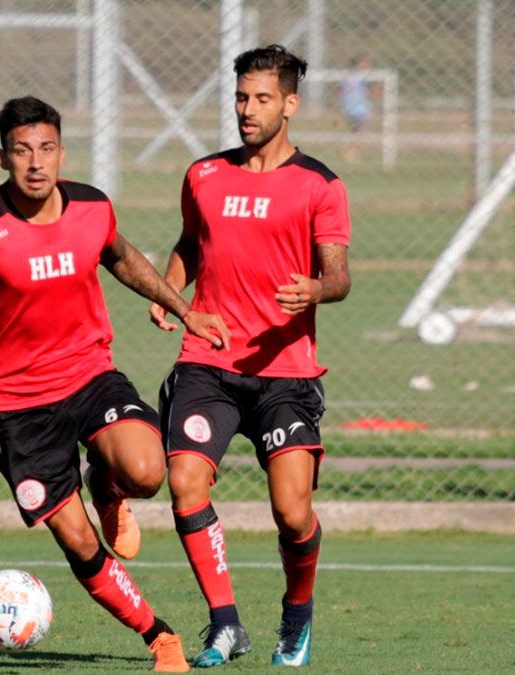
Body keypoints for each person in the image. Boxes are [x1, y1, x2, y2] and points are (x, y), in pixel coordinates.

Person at [0, 96, 231, 672]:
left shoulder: (92, 207)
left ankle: (105, 485)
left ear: (61, 153)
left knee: (147, 471)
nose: (36, 162)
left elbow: (122, 257)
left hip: (90, 377)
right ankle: (161, 638)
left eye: (47, 148)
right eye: (22, 151)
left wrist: (185, 309)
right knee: (79, 542)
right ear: (2, 157)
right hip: (18, 410)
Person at [148, 45, 352, 667]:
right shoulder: (204, 175)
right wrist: (170, 289)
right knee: (185, 482)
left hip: (285, 372)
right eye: (241, 97)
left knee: (292, 513)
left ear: (290, 105)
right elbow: (191, 243)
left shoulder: (320, 184)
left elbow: (339, 276)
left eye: (262, 99)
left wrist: (316, 290)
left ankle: (298, 613)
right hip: (208, 359)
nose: (247, 110)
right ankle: (226, 624)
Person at [337, 56, 373, 160]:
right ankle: (351, 151)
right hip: (360, 108)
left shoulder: (346, 76)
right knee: (360, 132)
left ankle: (351, 151)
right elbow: (368, 92)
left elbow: (340, 91)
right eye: (364, 63)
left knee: (356, 131)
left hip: (348, 107)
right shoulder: (362, 76)